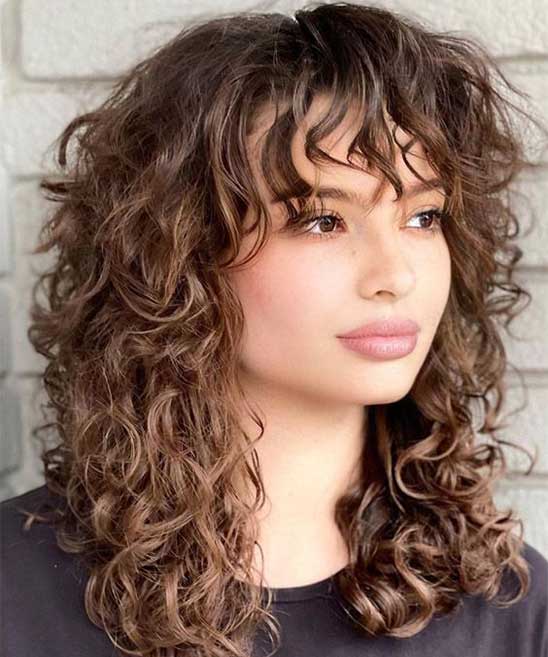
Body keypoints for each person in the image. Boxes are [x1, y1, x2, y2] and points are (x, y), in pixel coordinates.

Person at [2, 3, 548, 656]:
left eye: (423, 217)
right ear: (184, 252)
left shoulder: (511, 607)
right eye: (323, 220)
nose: (396, 274)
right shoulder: (16, 591)